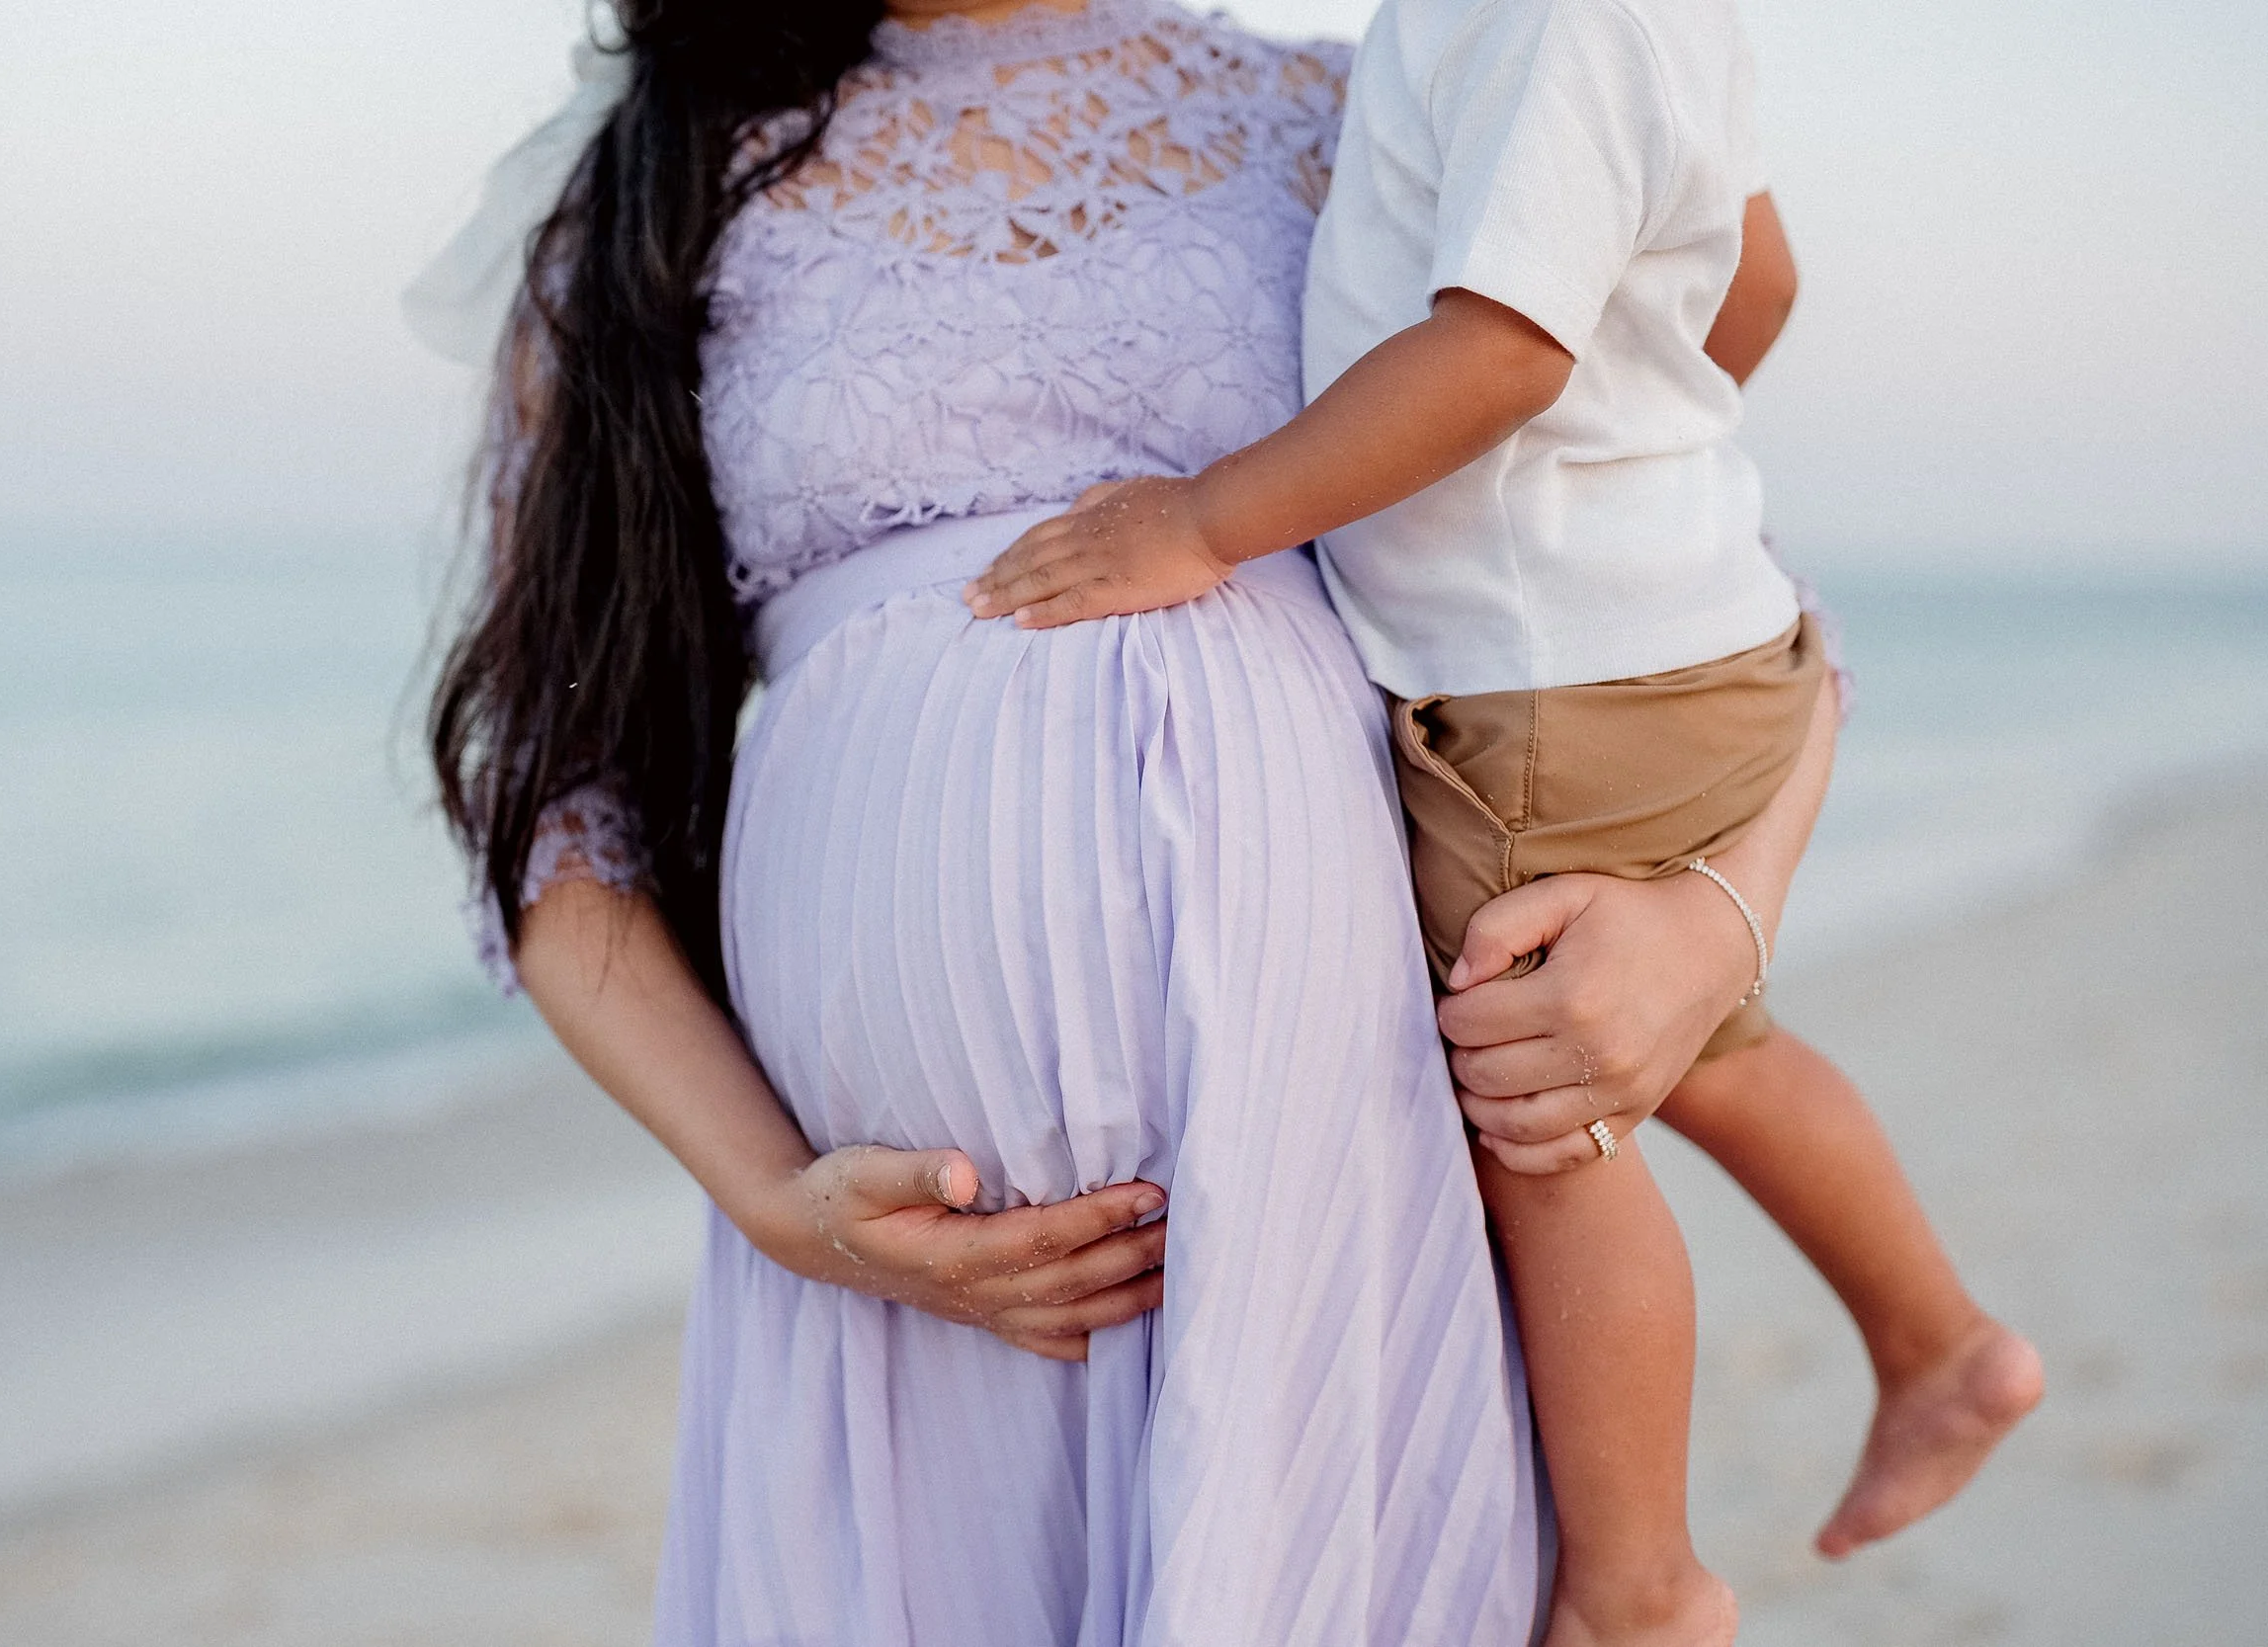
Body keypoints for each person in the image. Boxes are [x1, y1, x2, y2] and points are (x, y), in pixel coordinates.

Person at [418, 2, 1570, 1640]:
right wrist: (780, 1206)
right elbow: (553, 809)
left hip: (1333, 1156)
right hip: (901, 1292)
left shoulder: (1338, 116)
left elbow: (1660, 591)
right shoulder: (648, 197)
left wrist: (1707, 914)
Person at [963, 0, 2044, 1640]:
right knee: (1715, 1050)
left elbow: (1507, 349)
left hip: (1556, 686)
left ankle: (1636, 1585)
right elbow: (1756, 283)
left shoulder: (1548, 19)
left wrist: (1205, 521)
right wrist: (1630, 465)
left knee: (1541, 1122)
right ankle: (1943, 1344)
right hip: (1653, 637)